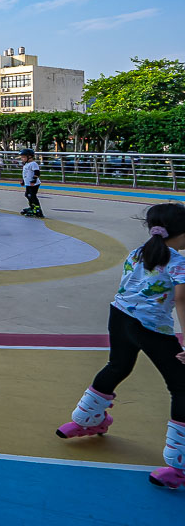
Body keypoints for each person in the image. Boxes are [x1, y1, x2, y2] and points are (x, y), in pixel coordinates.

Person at [54, 203, 185, 489]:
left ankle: (87, 419)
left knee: (118, 365)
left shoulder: (139, 252)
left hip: (121, 317)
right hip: (151, 329)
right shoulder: (177, 263)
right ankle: (179, 463)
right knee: (181, 386)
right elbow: (181, 300)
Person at [19, 148, 43, 218]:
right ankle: (32, 207)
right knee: (27, 195)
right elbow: (26, 174)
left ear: (30, 157)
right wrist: (23, 181)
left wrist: (34, 180)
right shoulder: (26, 164)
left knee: (32, 196)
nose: (22, 159)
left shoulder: (33, 164)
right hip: (28, 183)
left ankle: (37, 209)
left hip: (33, 184)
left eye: (23, 157)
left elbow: (37, 172)